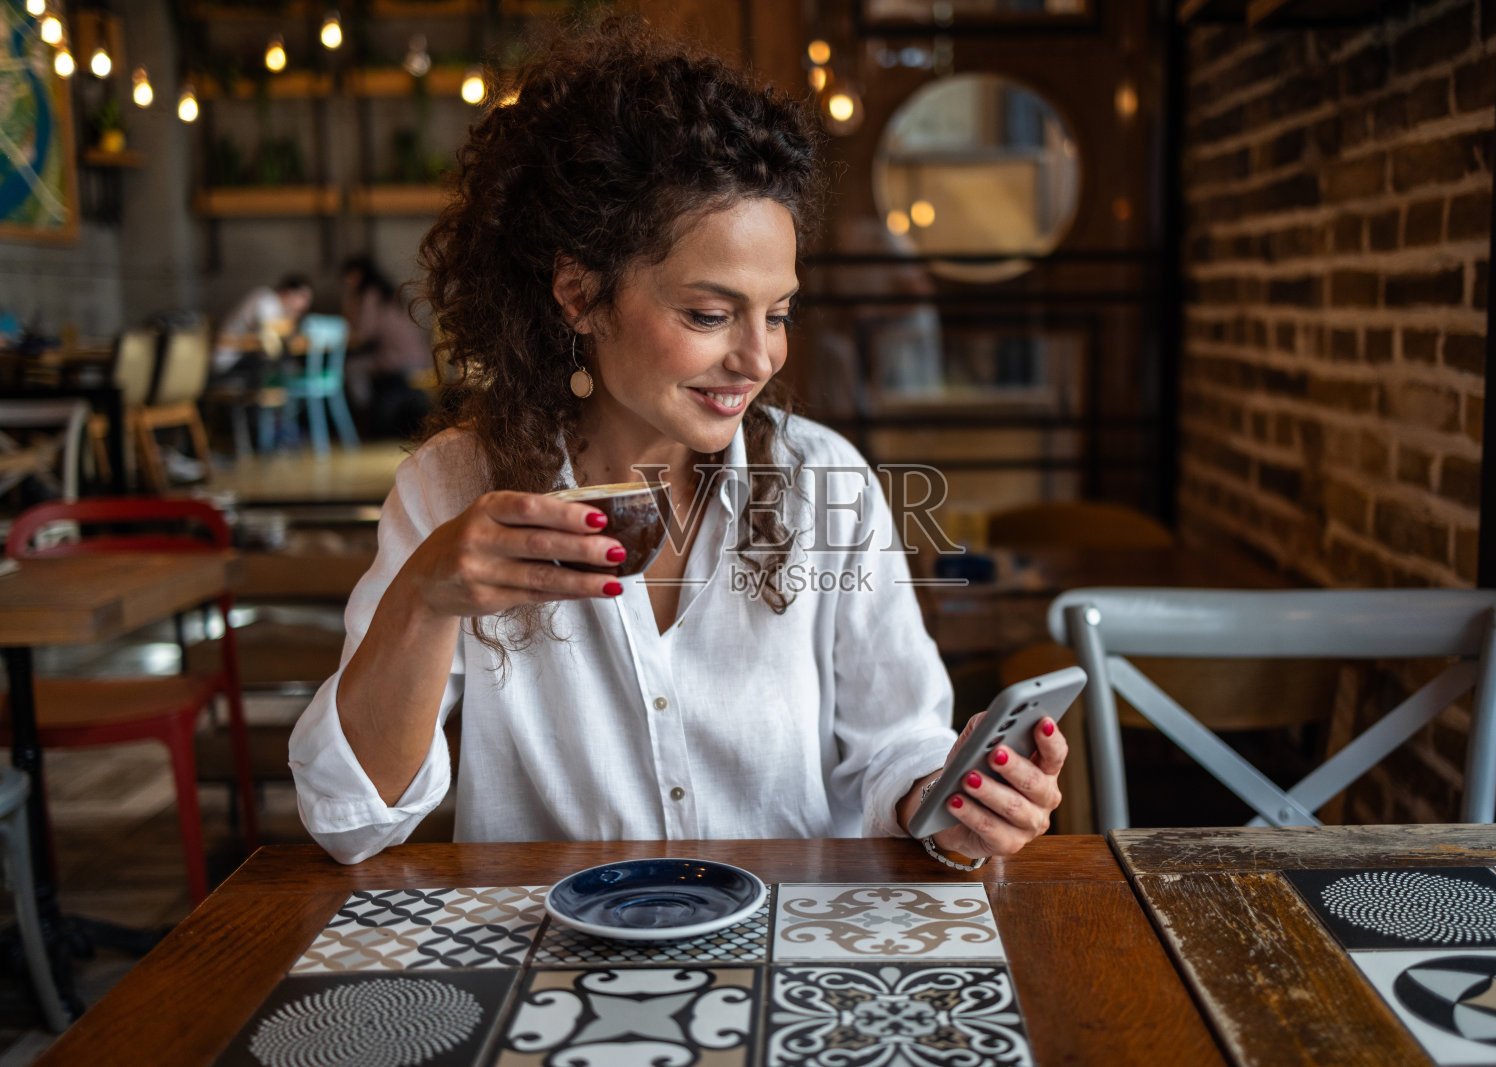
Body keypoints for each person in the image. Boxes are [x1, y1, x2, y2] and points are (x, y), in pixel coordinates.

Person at [288, 19, 1065, 868]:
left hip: (786, 954)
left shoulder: (821, 479)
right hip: (555, 968)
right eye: (708, 314)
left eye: (777, 314)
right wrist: (426, 597)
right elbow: (349, 820)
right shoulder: (452, 488)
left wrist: (948, 800)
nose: (758, 357)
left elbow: (897, 741)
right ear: (580, 295)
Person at [340, 255, 434, 439]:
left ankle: (362, 418)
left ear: (357, 274)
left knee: (352, 368)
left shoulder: (370, 294)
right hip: (420, 357)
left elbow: (364, 333)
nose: (346, 281)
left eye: (348, 276)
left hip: (396, 360)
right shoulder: (388, 293)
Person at [212, 273, 314, 382]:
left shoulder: (276, 308)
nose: (306, 304)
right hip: (228, 362)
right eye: (303, 297)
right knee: (278, 363)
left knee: (285, 364)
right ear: (288, 292)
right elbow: (270, 341)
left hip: (243, 359)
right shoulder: (266, 300)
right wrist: (291, 320)